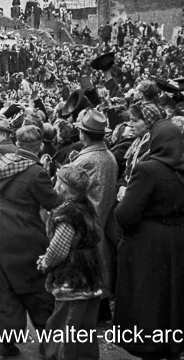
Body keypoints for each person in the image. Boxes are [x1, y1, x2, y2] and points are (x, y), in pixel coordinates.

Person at [114, 118, 184, 360]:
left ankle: (148, 346)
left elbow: (126, 215)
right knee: (175, 297)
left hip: (149, 241)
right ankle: (174, 345)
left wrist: (123, 199)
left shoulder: (147, 169)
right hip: (182, 237)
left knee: (149, 300)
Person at [0, 125, 61, 358]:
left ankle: (5, 343)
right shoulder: (37, 172)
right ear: (39, 146)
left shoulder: (4, 163)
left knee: (5, 288)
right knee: (36, 288)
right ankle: (48, 342)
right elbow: (52, 203)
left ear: (17, 143)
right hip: (24, 232)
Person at [38, 165, 104, 360]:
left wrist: (45, 262)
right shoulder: (87, 206)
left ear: (63, 186)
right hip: (91, 272)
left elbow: (59, 249)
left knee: (65, 325)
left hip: (73, 275)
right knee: (85, 327)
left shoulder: (67, 214)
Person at [70, 108, 118, 321]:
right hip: (101, 218)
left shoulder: (86, 160)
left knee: (85, 269)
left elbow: (67, 187)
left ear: (83, 134)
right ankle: (101, 309)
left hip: (85, 218)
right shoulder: (108, 156)